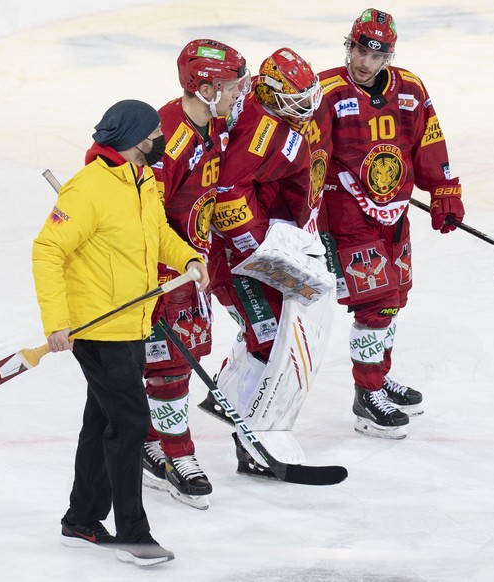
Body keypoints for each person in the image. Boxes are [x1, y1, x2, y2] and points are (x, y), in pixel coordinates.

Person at [32, 99, 210, 567]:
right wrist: (57, 323)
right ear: (135, 139)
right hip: (97, 329)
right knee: (131, 424)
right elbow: (47, 251)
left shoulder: (141, 179)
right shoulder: (87, 190)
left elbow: (157, 233)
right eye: (155, 134)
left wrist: (188, 258)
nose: (161, 142)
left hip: (134, 321)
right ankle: (135, 533)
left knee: (103, 420)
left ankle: (82, 520)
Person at [313, 8, 465, 439]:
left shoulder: (411, 89)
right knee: (375, 304)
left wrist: (444, 190)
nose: (365, 63)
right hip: (344, 216)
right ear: (350, 45)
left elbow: (428, 139)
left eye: (376, 56)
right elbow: (307, 157)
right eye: (360, 50)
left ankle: (378, 375)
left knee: (394, 298)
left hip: (394, 213)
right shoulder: (324, 90)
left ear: (389, 56)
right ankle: (367, 397)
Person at [201, 47, 331, 478]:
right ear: (271, 93)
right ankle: (251, 432)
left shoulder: (278, 114)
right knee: (271, 335)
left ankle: (237, 407)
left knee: (274, 336)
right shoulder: (260, 130)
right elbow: (228, 197)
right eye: (294, 99)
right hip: (238, 257)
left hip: (272, 242)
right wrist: (261, 252)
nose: (305, 108)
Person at [132, 39, 250, 510]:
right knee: (170, 365)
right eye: (230, 84)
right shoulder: (168, 140)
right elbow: (144, 221)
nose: (240, 90)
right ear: (203, 88)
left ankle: (148, 434)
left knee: (188, 351)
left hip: (189, 266)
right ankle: (173, 452)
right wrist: (159, 276)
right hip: (163, 274)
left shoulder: (212, 123)